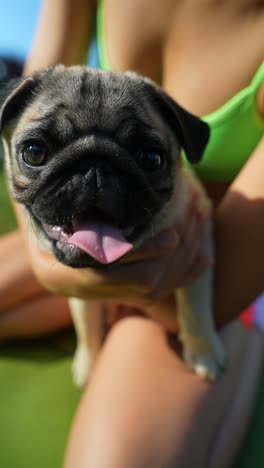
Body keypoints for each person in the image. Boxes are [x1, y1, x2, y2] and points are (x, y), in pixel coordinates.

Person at [0, 0, 264, 467]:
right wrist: (52, 267)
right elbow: (26, 109)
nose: (93, 177)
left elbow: (226, 283)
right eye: (41, 151)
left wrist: (72, 278)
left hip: (206, 284)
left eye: (148, 158)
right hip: (78, 240)